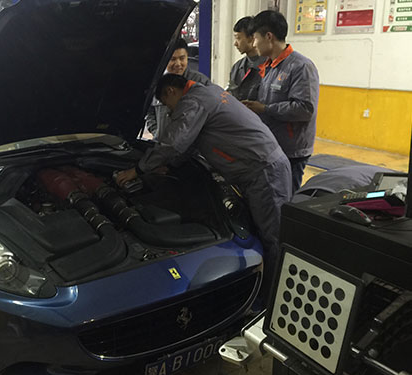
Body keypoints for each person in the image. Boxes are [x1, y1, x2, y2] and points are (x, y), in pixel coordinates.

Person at [117, 74, 292, 299]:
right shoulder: (208, 92)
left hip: (265, 173)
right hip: (256, 171)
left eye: (166, 103)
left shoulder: (194, 101)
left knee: (273, 238)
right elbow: (190, 143)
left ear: (170, 91)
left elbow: (173, 144)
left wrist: (137, 170)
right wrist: (169, 166)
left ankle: (271, 299)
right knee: (261, 232)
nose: (169, 110)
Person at [242, 10, 319, 194]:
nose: (254, 44)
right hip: (273, 146)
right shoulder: (270, 66)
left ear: (269, 37)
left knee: (286, 199)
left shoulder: (301, 67)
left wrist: (265, 109)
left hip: (291, 151)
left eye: (255, 38)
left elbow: (304, 109)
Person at [146, 39, 212, 142]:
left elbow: (209, 116)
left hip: (189, 147)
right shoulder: (157, 82)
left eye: (182, 58)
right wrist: (156, 131)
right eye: (172, 59)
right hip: (161, 145)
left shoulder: (200, 82)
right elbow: (150, 112)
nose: (178, 64)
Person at [226, 16, 267, 101]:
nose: (235, 43)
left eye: (238, 38)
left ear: (251, 38)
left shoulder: (269, 67)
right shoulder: (237, 68)